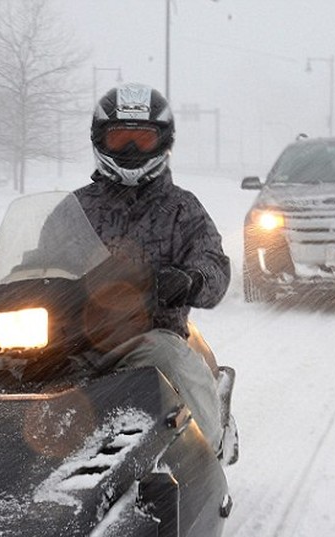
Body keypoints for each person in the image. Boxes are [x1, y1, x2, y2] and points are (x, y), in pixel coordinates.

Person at [74, 82, 231, 450]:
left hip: (148, 332)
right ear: (100, 140)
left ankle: (209, 448)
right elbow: (37, 257)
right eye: (120, 139)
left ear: (162, 142)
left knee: (169, 354)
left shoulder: (182, 209)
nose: (130, 150)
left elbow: (213, 263)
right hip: (72, 334)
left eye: (141, 140)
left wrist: (190, 280)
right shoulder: (76, 207)